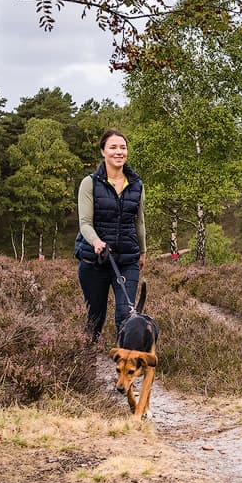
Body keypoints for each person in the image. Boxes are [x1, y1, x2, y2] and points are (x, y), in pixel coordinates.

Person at [74, 129, 146, 342]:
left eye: (123, 147)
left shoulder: (136, 184)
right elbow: (85, 223)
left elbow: (139, 221)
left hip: (126, 259)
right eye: (113, 147)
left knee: (126, 314)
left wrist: (142, 251)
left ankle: (124, 364)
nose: (119, 152)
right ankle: (87, 360)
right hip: (94, 259)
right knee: (95, 317)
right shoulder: (90, 183)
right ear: (103, 152)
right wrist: (96, 242)